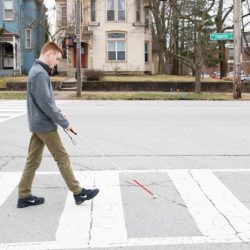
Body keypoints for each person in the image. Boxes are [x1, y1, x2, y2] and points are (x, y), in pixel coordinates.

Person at [17, 42, 99, 208]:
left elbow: (45, 101)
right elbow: (46, 103)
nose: (56, 62)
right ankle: (78, 193)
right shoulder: (39, 73)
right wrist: (65, 123)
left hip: (38, 123)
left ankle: (24, 195)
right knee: (62, 157)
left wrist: (59, 113)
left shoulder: (36, 70)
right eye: (57, 58)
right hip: (44, 125)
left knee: (33, 160)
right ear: (49, 53)